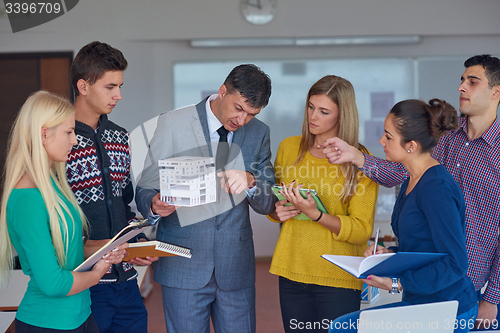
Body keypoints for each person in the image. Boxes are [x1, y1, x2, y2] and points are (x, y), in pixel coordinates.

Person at [322, 54, 500, 330]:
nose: (462, 87)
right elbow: (399, 173)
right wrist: (355, 156)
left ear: (495, 92)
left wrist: (493, 297)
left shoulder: (439, 180)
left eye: (472, 81)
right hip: (426, 289)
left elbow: (453, 260)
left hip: (465, 286)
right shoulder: (440, 142)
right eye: (462, 80)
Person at [135, 64, 275, 333]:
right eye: (239, 108)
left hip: (235, 267)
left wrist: (252, 181)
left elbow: (268, 202)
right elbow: (145, 188)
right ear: (222, 91)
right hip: (182, 264)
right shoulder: (173, 123)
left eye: (251, 114)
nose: (242, 120)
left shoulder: (259, 133)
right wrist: (153, 203)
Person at [329, 99, 478, 333]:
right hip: (421, 301)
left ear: (411, 145)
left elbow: (455, 263)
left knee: (344, 328)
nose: (381, 142)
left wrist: (395, 283)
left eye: (388, 136)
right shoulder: (411, 179)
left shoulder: (436, 188)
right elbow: (424, 248)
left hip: (448, 306)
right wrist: (388, 256)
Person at [0, 91, 127, 332]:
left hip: (81, 314)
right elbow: (53, 284)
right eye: (69, 132)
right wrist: (98, 272)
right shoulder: (26, 201)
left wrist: (107, 248)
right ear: (44, 134)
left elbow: (71, 250)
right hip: (49, 323)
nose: (75, 141)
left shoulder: (53, 186)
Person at [267, 75, 379, 332]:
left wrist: (316, 214)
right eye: (310, 107)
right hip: (292, 271)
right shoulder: (289, 148)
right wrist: (277, 212)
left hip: (338, 277)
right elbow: (275, 205)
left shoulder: (360, 160)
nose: (313, 116)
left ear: (342, 116)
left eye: (324, 111)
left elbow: (361, 229)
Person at [66, 41, 157, 333]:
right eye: (110, 87)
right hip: (84, 283)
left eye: (120, 86)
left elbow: (123, 204)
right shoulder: (58, 140)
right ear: (83, 86)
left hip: (127, 282)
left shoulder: (119, 137)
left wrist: (137, 244)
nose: (119, 95)